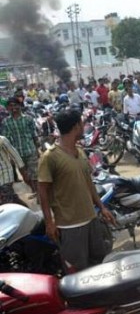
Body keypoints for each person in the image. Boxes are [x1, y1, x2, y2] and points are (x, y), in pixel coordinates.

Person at [38, 109, 115, 273]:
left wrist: (102, 207)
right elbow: (43, 191)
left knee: (100, 263)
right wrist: (49, 222)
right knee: (78, 271)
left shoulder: (79, 152)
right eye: (81, 124)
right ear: (76, 127)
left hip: (91, 218)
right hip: (69, 226)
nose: (83, 127)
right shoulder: (50, 157)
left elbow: (88, 183)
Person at [2, 97, 40, 196]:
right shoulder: (6, 122)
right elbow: (6, 140)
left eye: (15, 105)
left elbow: (34, 135)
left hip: (30, 151)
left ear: (20, 106)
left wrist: (37, 150)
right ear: (8, 108)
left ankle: (39, 195)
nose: (13, 107)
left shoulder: (28, 119)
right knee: (26, 177)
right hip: (17, 155)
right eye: (11, 106)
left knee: (35, 175)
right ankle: (35, 191)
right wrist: (9, 156)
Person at [0, 135, 28, 207]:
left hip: (5, 176)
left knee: (7, 203)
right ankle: (31, 214)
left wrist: (23, 173)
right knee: (12, 199)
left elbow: (15, 156)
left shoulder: (2, 140)